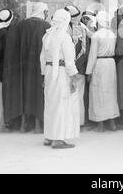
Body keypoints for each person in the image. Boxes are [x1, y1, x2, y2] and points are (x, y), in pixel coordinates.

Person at [3, 2, 50, 132]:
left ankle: (23, 124)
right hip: (38, 68)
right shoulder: (46, 26)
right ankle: (37, 125)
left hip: (21, 69)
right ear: (44, 12)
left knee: (23, 94)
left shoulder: (19, 26)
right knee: (37, 95)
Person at [40, 9, 81, 149]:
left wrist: (44, 75)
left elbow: (42, 59)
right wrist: (74, 77)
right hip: (62, 73)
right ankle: (58, 139)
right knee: (62, 105)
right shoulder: (64, 37)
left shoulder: (47, 36)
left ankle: (49, 136)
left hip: (50, 73)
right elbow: (69, 61)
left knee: (51, 105)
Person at [86, 10, 120, 132]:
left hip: (99, 64)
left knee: (98, 92)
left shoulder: (96, 36)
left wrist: (88, 72)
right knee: (110, 92)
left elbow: (92, 55)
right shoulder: (112, 34)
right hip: (111, 64)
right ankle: (112, 123)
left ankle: (100, 124)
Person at [65, 5, 90, 127]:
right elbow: (85, 51)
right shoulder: (81, 29)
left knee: (73, 97)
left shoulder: (68, 29)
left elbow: (83, 51)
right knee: (77, 97)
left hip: (69, 69)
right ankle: (76, 123)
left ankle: (74, 123)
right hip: (75, 68)